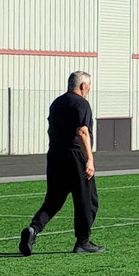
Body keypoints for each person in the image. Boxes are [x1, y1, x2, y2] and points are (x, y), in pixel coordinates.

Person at [20, 71, 102, 254]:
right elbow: (82, 131)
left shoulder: (56, 103)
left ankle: (34, 229)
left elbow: (51, 130)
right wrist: (89, 159)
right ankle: (83, 241)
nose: (89, 89)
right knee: (87, 200)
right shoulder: (82, 103)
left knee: (54, 199)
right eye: (88, 85)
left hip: (55, 155)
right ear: (82, 86)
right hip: (75, 156)